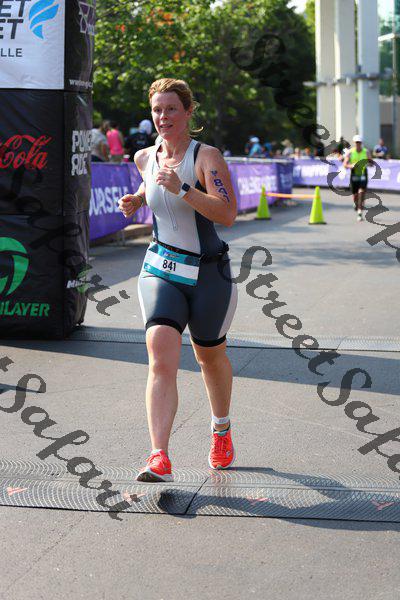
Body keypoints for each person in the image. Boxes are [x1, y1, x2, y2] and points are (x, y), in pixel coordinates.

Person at [118, 78, 238, 482]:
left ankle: (221, 429)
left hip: (208, 273)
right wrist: (138, 199)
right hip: (161, 268)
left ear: (188, 112)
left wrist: (184, 188)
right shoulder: (144, 157)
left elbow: (227, 214)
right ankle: (159, 456)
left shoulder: (207, 157)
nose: (163, 117)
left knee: (209, 358)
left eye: (171, 109)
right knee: (160, 353)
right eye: (157, 109)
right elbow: (150, 183)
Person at [343, 134, 373, 222]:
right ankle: (355, 203)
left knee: (361, 192)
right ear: (354, 143)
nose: (358, 144)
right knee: (355, 195)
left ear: (361, 143)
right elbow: (345, 164)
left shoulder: (366, 152)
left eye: (359, 142)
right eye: (356, 142)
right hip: (354, 174)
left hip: (363, 174)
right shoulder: (350, 152)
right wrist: (351, 166)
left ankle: (359, 213)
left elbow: (371, 163)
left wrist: (368, 164)